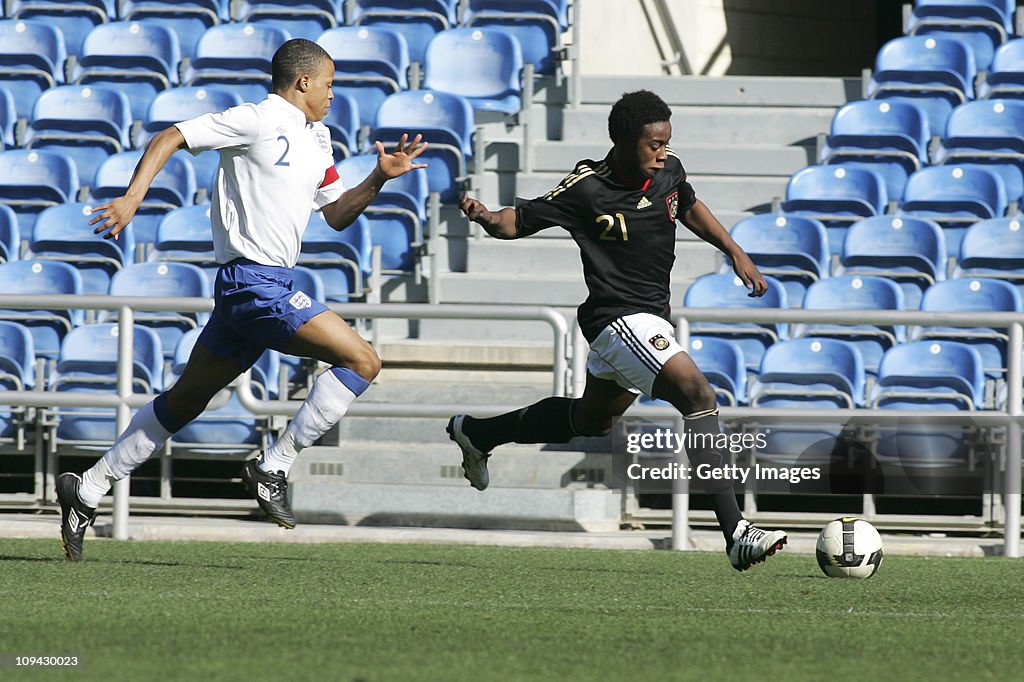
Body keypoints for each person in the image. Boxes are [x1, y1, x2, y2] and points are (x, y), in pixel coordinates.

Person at [55, 39, 428, 561]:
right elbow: (172, 136)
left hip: (255, 286)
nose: (332, 95)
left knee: (186, 400)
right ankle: (274, 464)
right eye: (329, 85)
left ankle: (89, 486)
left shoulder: (319, 138)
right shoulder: (255, 119)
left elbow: (337, 214)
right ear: (303, 82)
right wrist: (134, 197)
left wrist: (378, 179)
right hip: (253, 283)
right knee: (362, 360)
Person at [448, 90, 787, 571]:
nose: (663, 152)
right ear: (625, 142)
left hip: (648, 319)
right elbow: (517, 222)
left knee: (592, 421)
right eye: (654, 144)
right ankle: (736, 531)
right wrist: (485, 217)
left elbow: (687, 204)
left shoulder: (669, 170)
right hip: (617, 319)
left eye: (667, 142)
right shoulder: (586, 187)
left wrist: (734, 251)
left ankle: (478, 433)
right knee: (697, 394)